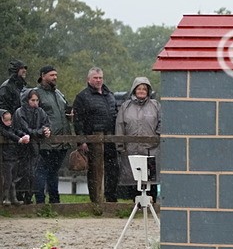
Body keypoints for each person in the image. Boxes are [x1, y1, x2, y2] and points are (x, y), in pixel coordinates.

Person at [73, 67, 120, 203]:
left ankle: (111, 198)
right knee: (94, 170)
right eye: (95, 78)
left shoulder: (109, 95)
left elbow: (115, 114)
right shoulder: (82, 97)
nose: (98, 80)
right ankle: (96, 200)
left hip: (110, 138)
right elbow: (78, 121)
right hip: (92, 139)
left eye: (100, 78)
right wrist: (82, 141)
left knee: (113, 169)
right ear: (89, 79)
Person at [115, 76, 161, 201]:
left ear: (148, 91)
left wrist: (157, 136)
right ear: (134, 90)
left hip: (151, 150)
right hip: (131, 150)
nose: (141, 91)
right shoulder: (126, 106)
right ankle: (134, 204)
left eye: (144, 89)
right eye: (139, 88)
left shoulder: (156, 106)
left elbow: (162, 122)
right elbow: (120, 125)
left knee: (150, 178)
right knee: (133, 178)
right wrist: (120, 145)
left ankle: (152, 204)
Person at [32, 65, 71, 204]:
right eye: (51, 75)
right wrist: (41, 131)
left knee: (54, 171)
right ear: (43, 76)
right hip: (45, 141)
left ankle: (55, 201)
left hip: (61, 141)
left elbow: (64, 112)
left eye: (56, 75)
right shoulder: (36, 93)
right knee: (41, 171)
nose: (55, 77)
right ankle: (40, 202)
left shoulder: (59, 94)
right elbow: (32, 115)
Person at [13, 88, 50, 204]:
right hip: (21, 148)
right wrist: (40, 132)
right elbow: (25, 130)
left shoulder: (40, 112)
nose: (35, 103)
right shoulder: (20, 112)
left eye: (37, 100)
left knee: (32, 174)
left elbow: (47, 124)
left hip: (34, 148)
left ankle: (28, 197)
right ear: (26, 100)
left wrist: (47, 130)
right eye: (32, 100)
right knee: (21, 173)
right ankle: (19, 197)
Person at [0, 109, 26, 204]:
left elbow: (16, 131)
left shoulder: (11, 128)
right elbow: (8, 134)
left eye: (10, 120)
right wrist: (19, 139)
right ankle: (5, 198)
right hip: (5, 158)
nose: (9, 122)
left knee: (12, 179)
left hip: (13, 156)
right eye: (6, 120)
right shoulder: (2, 129)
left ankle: (13, 198)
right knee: (7, 179)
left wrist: (24, 135)